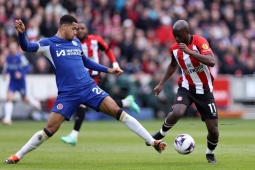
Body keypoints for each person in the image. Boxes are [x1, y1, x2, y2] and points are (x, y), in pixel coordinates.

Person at [5, 14, 166, 164]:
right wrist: (21, 34)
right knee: (50, 129)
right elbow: (26, 46)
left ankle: (153, 142)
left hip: (88, 87)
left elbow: (87, 62)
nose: (76, 32)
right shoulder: (49, 44)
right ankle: (18, 155)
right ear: (63, 27)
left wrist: (108, 69)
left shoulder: (75, 43)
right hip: (68, 94)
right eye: (73, 29)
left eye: (77, 29)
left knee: (118, 112)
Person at [146, 20, 219, 163]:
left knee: (213, 130)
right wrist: (161, 84)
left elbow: (212, 61)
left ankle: (210, 153)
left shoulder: (199, 41)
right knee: (177, 112)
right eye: (175, 36)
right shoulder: (174, 48)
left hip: (204, 90)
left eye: (179, 35)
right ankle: (161, 133)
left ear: (187, 32)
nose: (177, 39)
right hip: (186, 87)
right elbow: (173, 65)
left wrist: (190, 52)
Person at [61, 22, 140, 146]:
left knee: (83, 104)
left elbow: (108, 50)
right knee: (98, 104)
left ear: (87, 29)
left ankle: (74, 135)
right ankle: (126, 102)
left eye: (83, 28)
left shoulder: (95, 40)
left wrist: (115, 64)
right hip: (80, 78)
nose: (80, 30)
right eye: (78, 29)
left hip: (94, 77)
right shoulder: (72, 42)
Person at [2, 41, 41, 125]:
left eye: (13, 46)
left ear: (16, 48)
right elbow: (7, 69)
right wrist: (5, 74)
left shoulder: (20, 57)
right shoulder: (8, 58)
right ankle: (8, 119)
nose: (12, 48)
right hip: (12, 82)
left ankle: (35, 102)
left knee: (25, 99)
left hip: (21, 82)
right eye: (11, 46)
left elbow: (28, 67)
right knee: (9, 97)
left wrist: (21, 74)